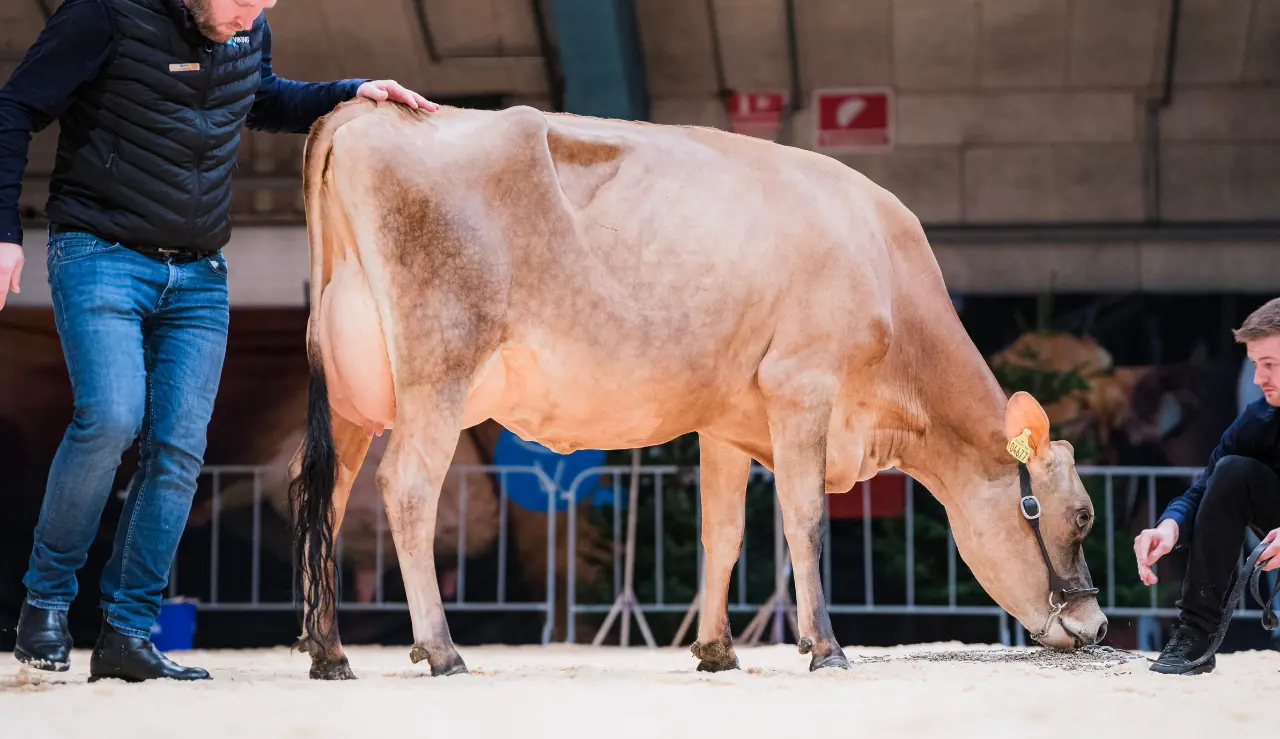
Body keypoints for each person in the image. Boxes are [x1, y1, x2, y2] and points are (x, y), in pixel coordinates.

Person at [0, 0, 436, 682]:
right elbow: (13, 109)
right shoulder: (105, 15)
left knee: (177, 450)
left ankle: (127, 632)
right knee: (112, 417)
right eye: (242, 4)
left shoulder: (248, 26)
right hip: (101, 252)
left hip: (199, 273)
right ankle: (45, 603)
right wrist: (3, 232)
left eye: (264, 5)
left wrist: (351, 91)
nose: (252, 18)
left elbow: (260, 97)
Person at [1134, 297, 1280, 675]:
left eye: (1270, 365)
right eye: (1254, 365)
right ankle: (1195, 636)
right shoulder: (1258, 420)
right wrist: (1170, 526)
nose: (1257, 379)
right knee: (1231, 472)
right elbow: (1204, 488)